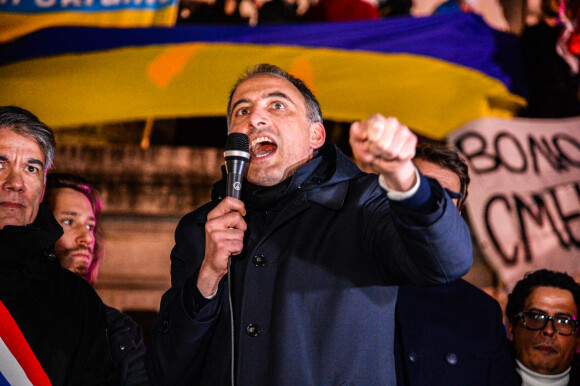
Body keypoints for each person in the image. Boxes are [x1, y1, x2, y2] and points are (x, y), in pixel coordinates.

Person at [147, 63, 473, 384]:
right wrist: (207, 277)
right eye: (241, 111)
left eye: (277, 105)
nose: (255, 118)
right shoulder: (200, 229)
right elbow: (167, 371)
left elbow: (448, 260)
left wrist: (404, 178)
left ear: (315, 134)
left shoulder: (365, 202)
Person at [0, 106, 115, 385]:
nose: (15, 183)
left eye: (31, 168)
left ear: (42, 187)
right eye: (0, 164)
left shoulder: (77, 302)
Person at [394, 141, 518, 385]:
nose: (428, 205)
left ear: (458, 212)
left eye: (444, 196)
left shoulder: (481, 312)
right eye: (421, 190)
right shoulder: (356, 288)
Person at [43, 173, 149, 386]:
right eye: (69, 221)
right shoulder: (14, 314)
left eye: (90, 226)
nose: (87, 237)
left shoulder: (121, 330)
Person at [506, 269, 580, 385]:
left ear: (578, 338)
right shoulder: (481, 376)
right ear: (511, 328)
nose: (549, 330)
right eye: (536, 317)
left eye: (563, 321)